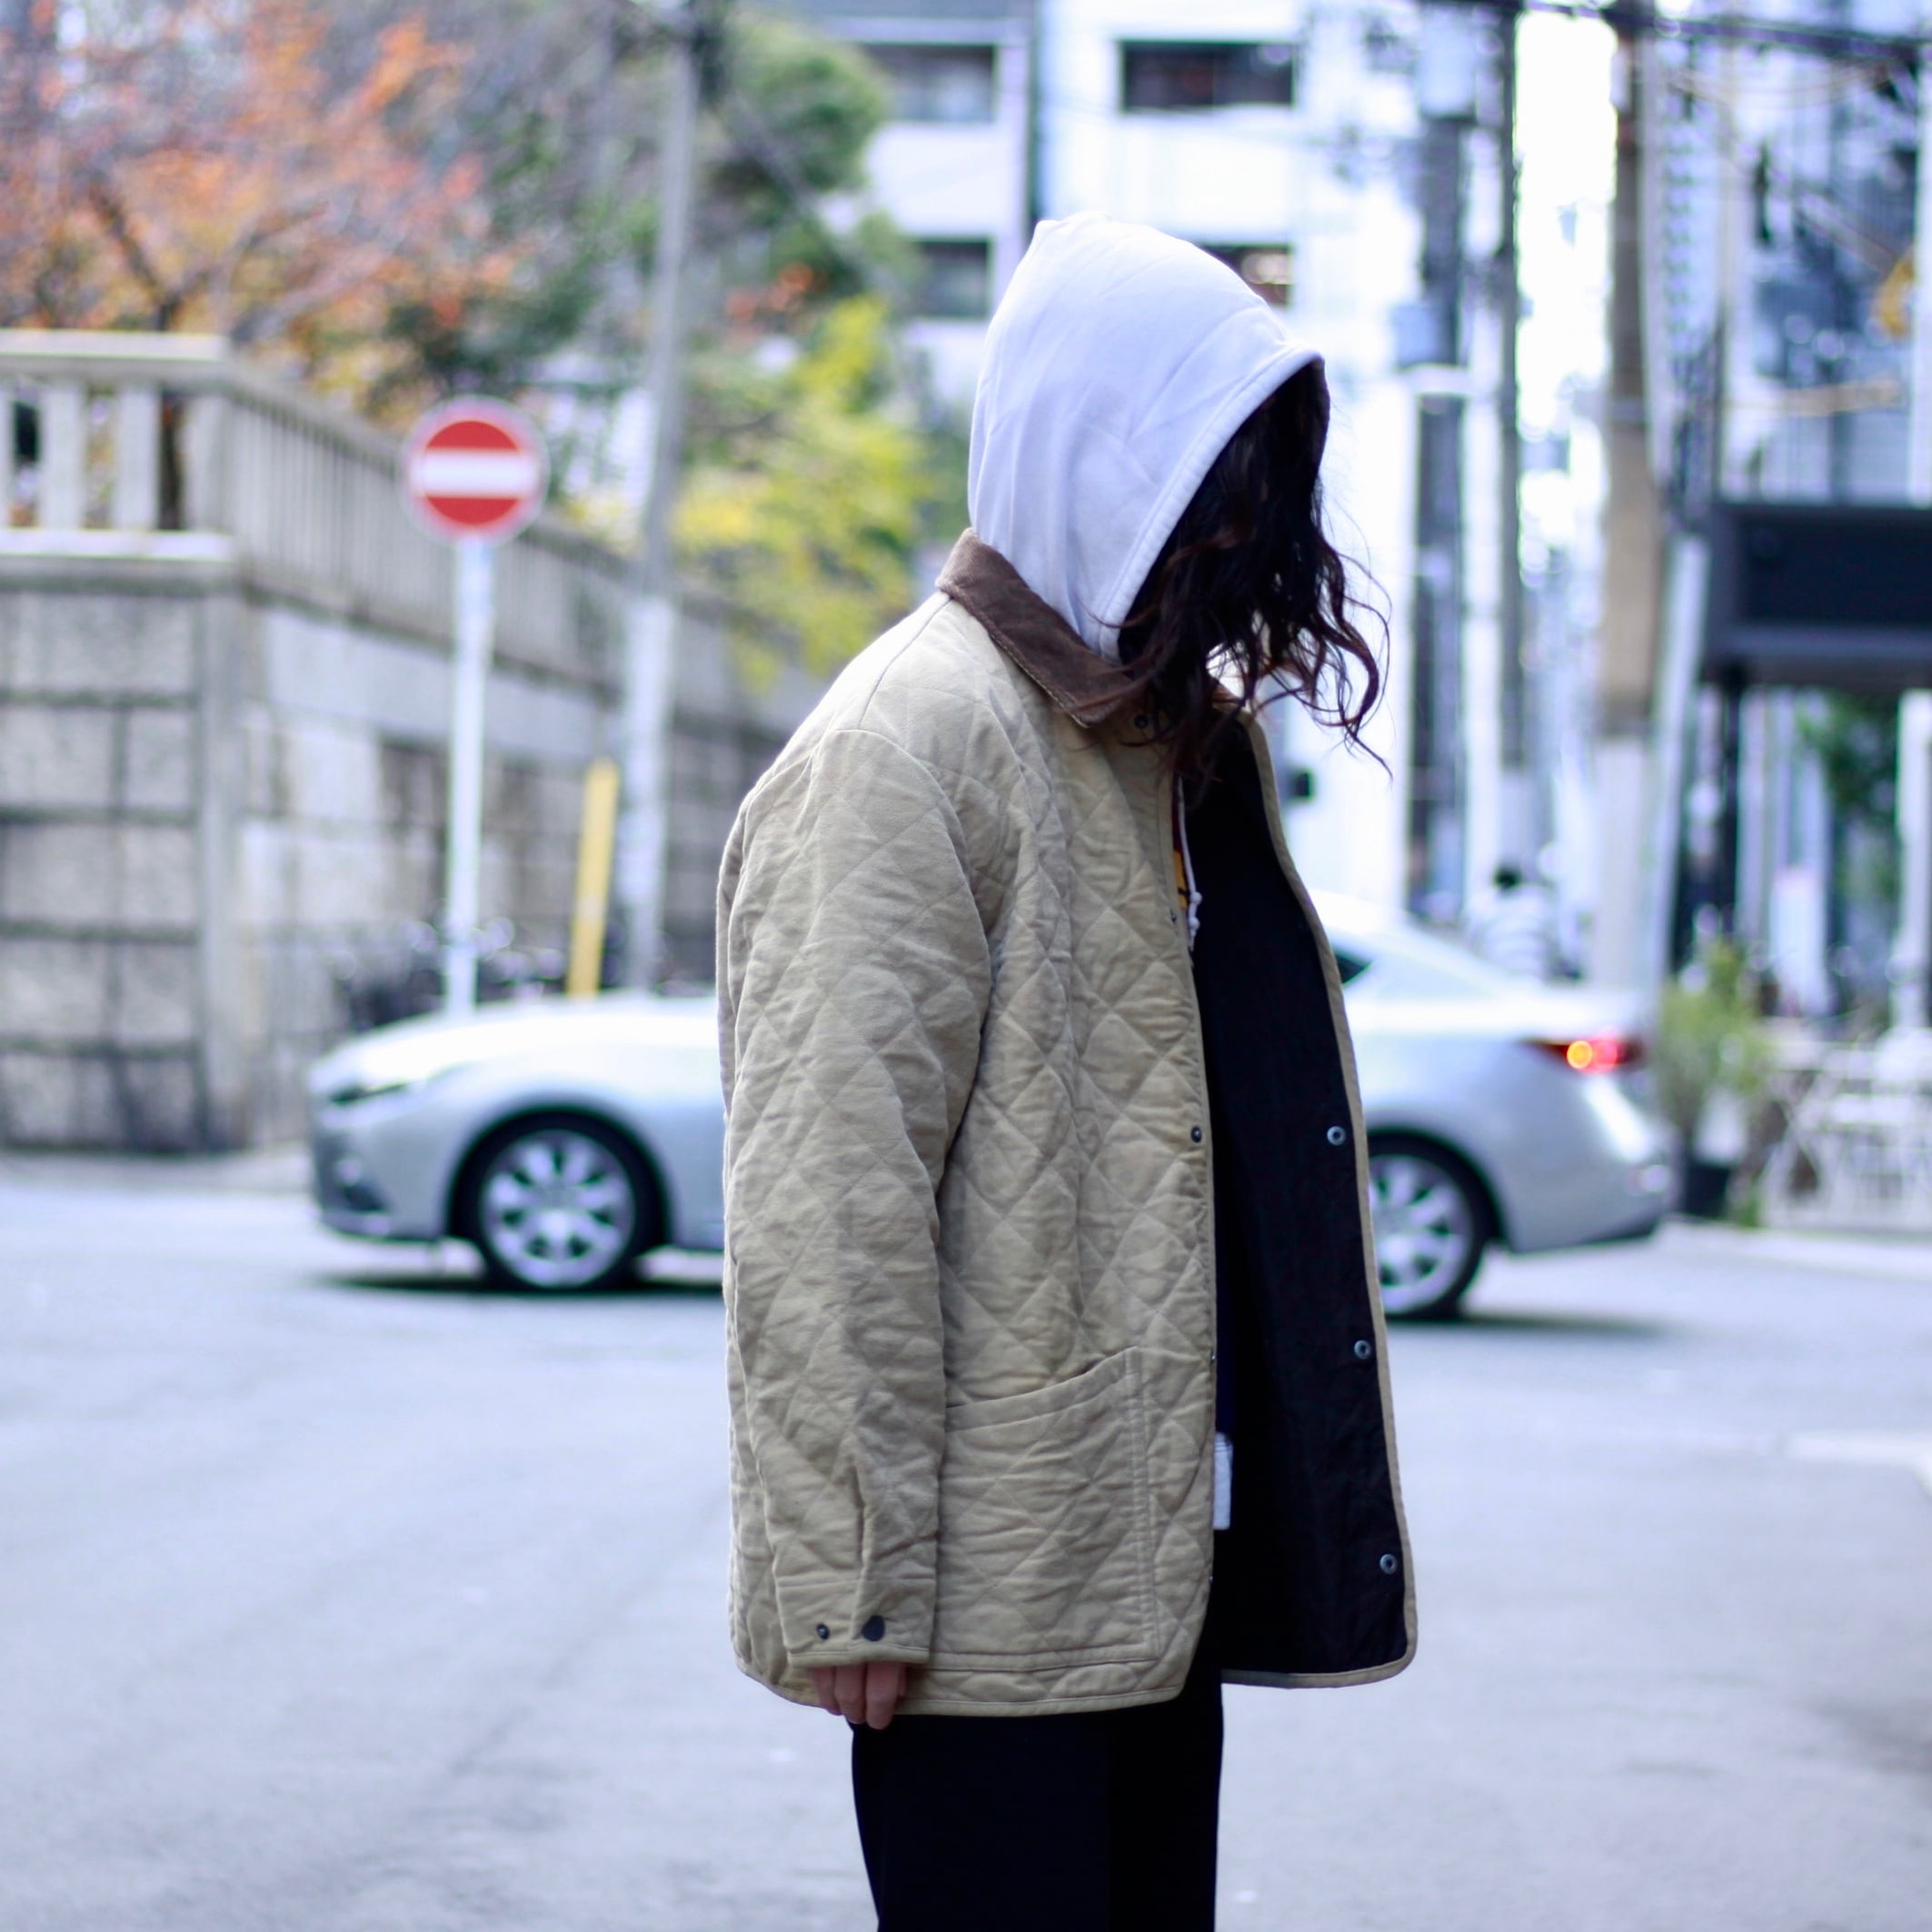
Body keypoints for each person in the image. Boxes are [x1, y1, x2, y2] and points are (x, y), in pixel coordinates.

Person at [717, 214, 1415, 1932]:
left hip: (1138, 1568)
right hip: (981, 1606)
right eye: (1204, 485)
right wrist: (851, 1581)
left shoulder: (1143, 745)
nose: (1233, 533)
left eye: (1251, 494)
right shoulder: (908, 740)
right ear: (1088, 459)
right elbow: (826, 1194)